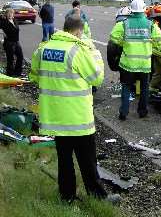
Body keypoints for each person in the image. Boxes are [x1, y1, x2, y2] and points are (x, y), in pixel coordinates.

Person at [29, 15, 118, 203]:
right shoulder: (78, 51)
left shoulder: (43, 49)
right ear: (79, 31)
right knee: (87, 161)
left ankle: (67, 197)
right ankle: (98, 197)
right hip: (78, 119)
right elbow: (97, 78)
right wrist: (95, 55)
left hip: (55, 118)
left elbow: (35, 76)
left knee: (65, 160)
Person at [110, 0, 158, 120]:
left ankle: (123, 112)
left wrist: (123, 43)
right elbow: (160, 39)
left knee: (126, 87)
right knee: (144, 88)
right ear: (143, 9)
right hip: (144, 64)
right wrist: (151, 45)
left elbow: (113, 37)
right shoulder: (150, 24)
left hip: (128, 64)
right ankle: (142, 111)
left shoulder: (124, 24)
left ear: (130, 10)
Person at [0, 9, 23, 77]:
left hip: (16, 42)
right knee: (10, 59)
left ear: (13, 14)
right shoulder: (3, 22)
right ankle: (10, 74)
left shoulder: (15, 20)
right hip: (9, 43)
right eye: (8, 13)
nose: (10, 15)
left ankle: (17, 72)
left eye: (11, 13)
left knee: (20, 56)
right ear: (6, 15)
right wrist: (1, 32)